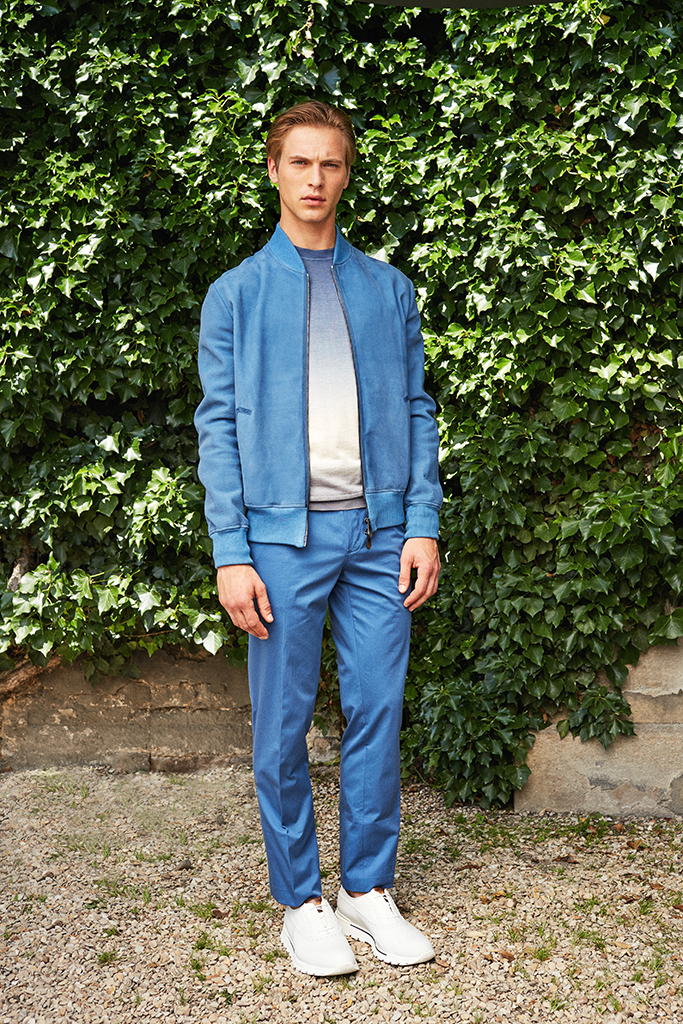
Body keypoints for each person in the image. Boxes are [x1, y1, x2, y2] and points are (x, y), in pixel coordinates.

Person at [195, 100, 442, 977]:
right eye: (299, 162)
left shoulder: (386, 289)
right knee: (282, 726)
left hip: (378, 536)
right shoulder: (235, 294)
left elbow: (415, 409)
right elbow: (217, 425)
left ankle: (364, 891)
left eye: (329, 163)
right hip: (279, 542)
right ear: (274, 171)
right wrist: (231, 550)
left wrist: (420, 525)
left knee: (377, 711)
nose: (314, 178)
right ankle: (301, 901)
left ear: (345, 174)